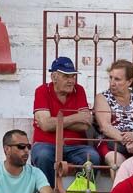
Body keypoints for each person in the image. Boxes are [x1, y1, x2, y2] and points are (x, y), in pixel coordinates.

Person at [30, 56, 102, 186]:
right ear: (54, 77)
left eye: (73, 76)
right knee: (43, 156)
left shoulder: (79, 90)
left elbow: (85, 124)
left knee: (92, 158)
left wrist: (56, 122)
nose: (71, 81)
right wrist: (75, 118)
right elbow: (45, 125)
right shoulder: (42, 91)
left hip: (76, 145)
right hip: (46, 144)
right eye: (66, 77)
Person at [94, 59, 133, 170]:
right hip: (111, 143)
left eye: (117, 79)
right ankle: (119, 188)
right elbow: (105, 127)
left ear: (129, 81)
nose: (112, 83)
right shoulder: (102, 98)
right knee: (117, 163)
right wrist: (127, 141)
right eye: (111, 78)